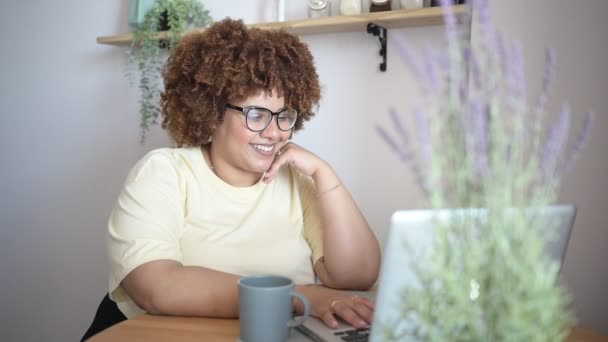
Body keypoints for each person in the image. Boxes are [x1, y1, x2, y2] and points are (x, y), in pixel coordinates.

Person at [101, 17, 380, 336]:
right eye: (256, 114)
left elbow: (356, 278)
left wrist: (325, 174)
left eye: (284, 115)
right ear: (212, 110)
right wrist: (296, 297)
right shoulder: (163, 173)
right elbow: (155, 284)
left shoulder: (298, 182)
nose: (275, 132)